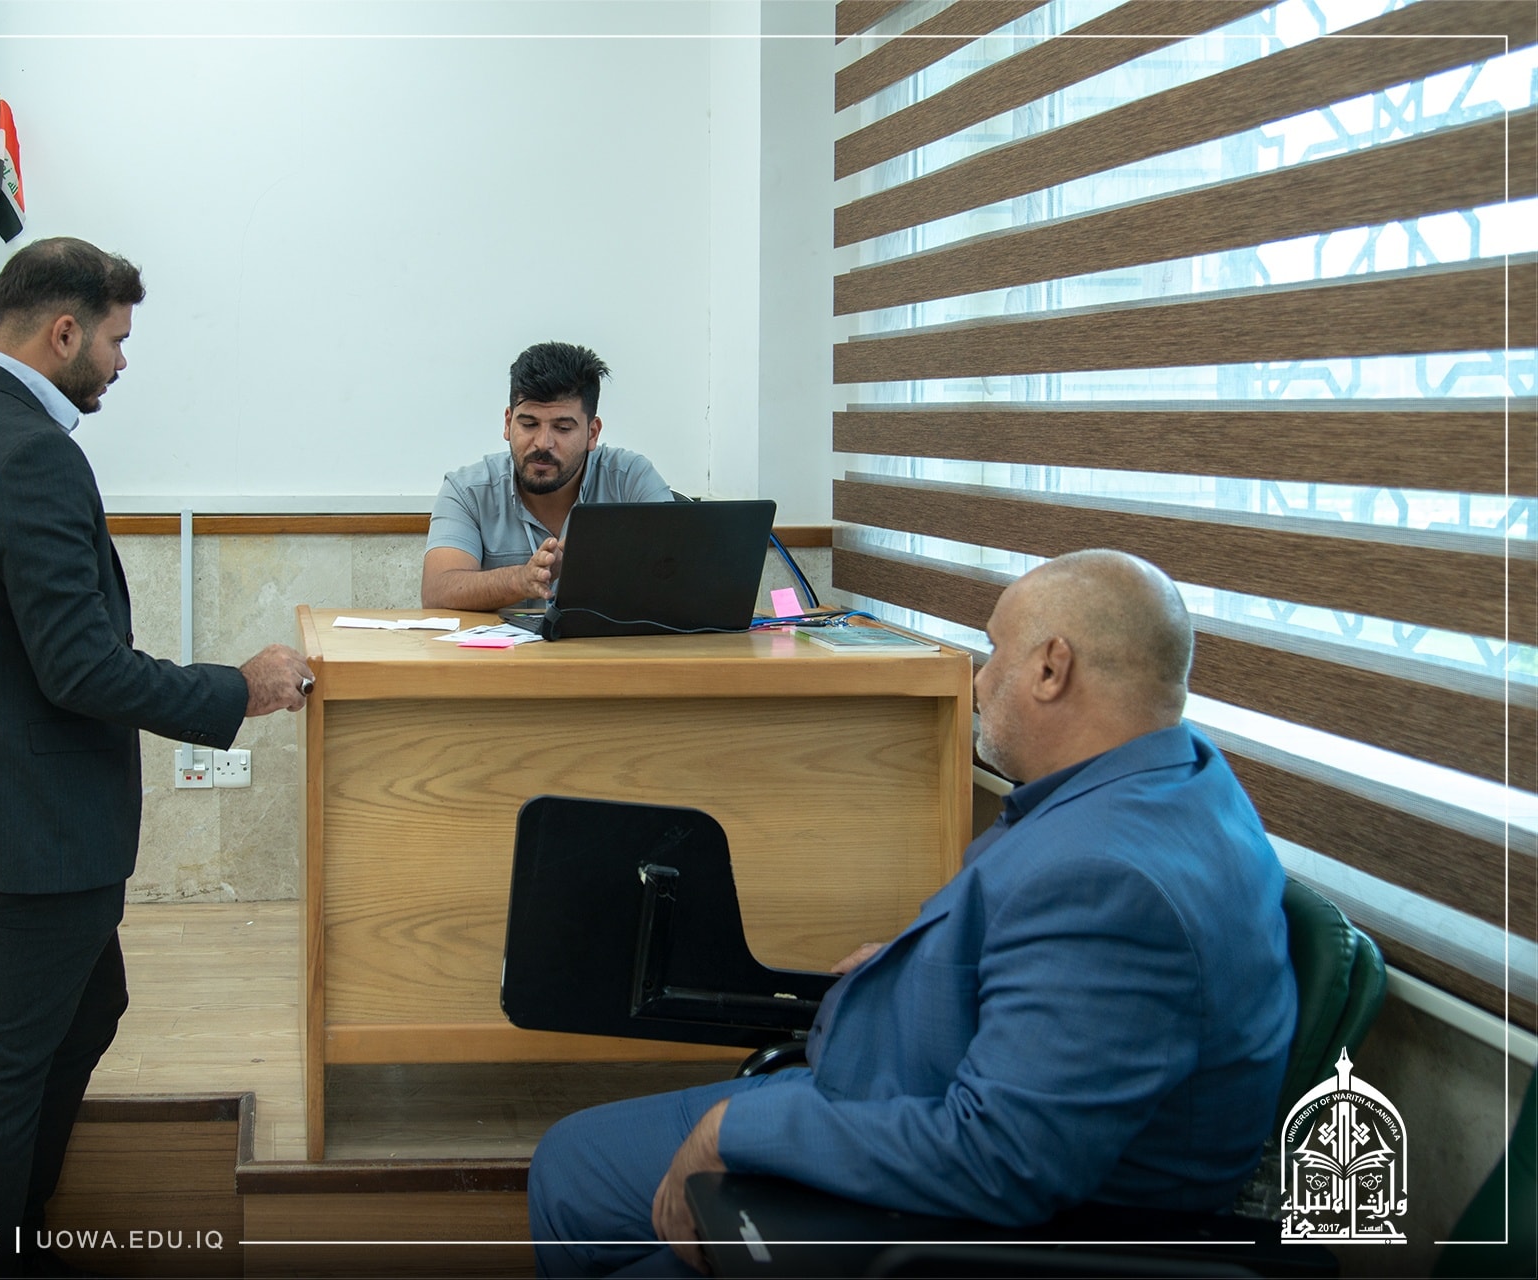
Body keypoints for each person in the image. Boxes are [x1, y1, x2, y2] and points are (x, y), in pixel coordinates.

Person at [527, 549, 1298, 1277]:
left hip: (958, 1202)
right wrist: (912, 965)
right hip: (912, 1081)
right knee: (571, 1166)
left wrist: (734, 1131)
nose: (980, 679)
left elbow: (1002, 1157)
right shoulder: (1178, 777)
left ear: (1051, 668)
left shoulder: (1110, 882)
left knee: (590, 1192)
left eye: (994, 653)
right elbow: (1049, 974)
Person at [0, 236, 313, 1276]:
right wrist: (236, 687)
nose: (122, 360)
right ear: (64, 332)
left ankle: (13, 1233)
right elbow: (81, 667)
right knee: (0, 1060)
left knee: (88, 1008)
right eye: (116, 338)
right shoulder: (29, 451)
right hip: (33, 815)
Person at [421, 341, 673, 611]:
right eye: (529, 424)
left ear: (592, 433)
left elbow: (679, 577)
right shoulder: (468, 490)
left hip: (603, 639)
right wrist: (522, 580)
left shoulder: (631, 479)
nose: (543, 443)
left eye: (562, 428)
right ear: (508, 423)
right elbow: (437, 592)